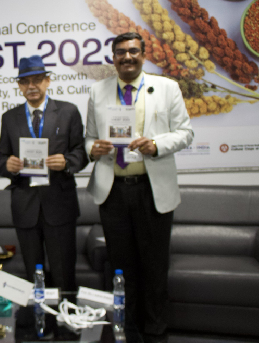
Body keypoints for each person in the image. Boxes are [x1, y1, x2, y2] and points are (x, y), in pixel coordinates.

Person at [85, 32, 193, 343]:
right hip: (113, 191)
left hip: (152, 189)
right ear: (113, 58)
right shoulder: (98, 91)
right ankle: (127, 330)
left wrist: (156, 144)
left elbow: (185, 133)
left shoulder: (167, 87)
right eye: (121, 52)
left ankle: (156, 331)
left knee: (155, 266)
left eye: (133, 51)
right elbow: (89, 137)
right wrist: (94, 148)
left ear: (144, 56)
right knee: (122, 267)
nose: (127, 57)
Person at [0, 55, 88, 291]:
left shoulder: (68, 111)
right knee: (32, 275)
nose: (31, 86)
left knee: (63, 273)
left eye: (37, 80)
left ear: (47, 81)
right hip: (25, 205)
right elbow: (0, 160)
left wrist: (66, 161)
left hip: (59, 203)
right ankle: (37, 314)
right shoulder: (10, 118)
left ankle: (66, 314)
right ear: (19, 86)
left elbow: (81, 152)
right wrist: (8, 165)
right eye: (25, 82)